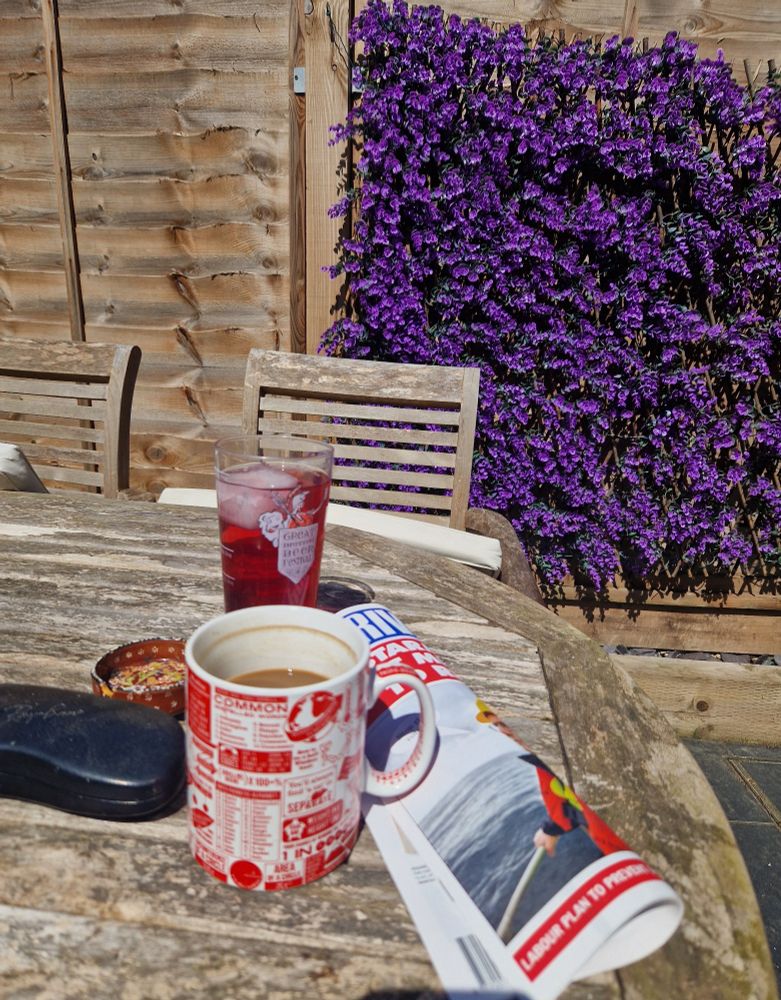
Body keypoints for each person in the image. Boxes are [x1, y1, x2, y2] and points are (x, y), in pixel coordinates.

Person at [474, 699, 629, 857]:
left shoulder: (586, 752)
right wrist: (551, 829)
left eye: (505, 722)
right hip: (618, 853)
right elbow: (565, 805)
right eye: (497, 725)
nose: (504, 732)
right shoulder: (544, 760)